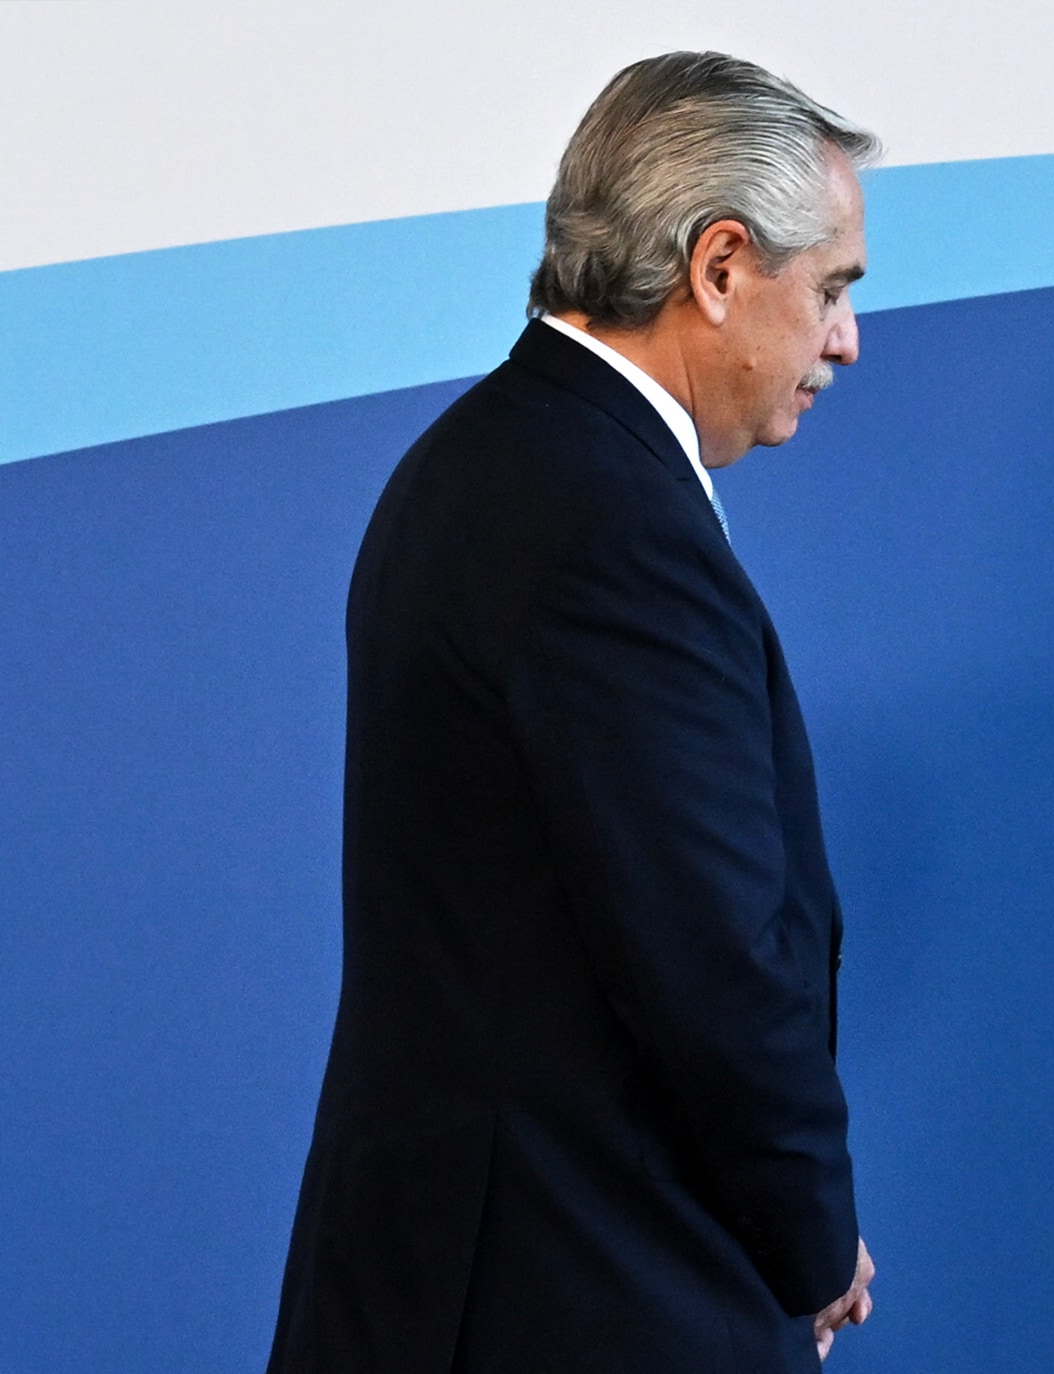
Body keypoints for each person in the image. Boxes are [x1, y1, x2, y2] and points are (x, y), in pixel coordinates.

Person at [267, 52, 878, 1372]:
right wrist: (811, 1239)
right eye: (831, 289)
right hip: (581, 1296)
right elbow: (714, 961)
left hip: (456, 1279)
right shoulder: (613, 532)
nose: (844, 341)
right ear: (721, 267)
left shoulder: (482, 460)